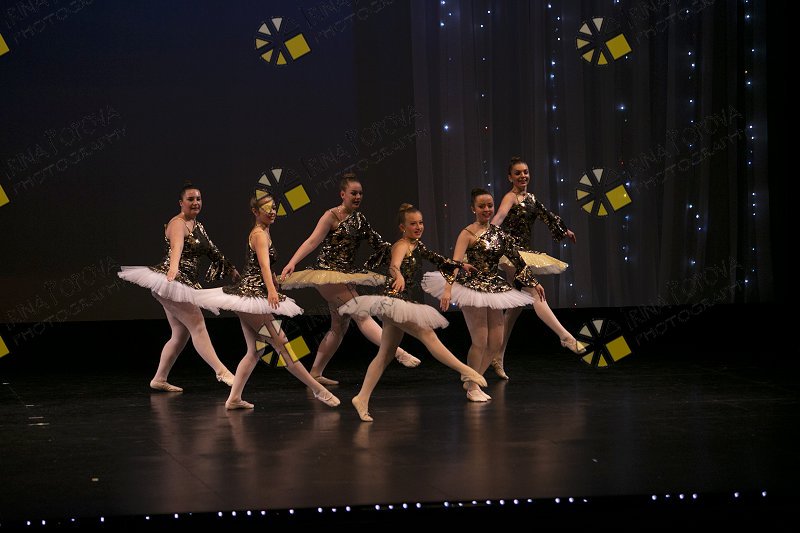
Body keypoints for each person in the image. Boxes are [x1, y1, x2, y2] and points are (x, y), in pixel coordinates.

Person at [340, 203, 486, 422]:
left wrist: (459, 265)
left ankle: (361, 398)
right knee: (427, 334)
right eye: (413, 224)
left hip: (399, 303)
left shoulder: (417, 245)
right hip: (393, 301)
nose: (418, 227)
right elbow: (394, 265)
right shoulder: (401, 245)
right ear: (402, 227)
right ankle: (466, 370)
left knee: (386, 354)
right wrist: (398, 275)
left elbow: (437, 259)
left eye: (421, 223)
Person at [194, 194, 340, 409]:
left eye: (274, 208)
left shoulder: (265, 231)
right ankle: (318, 390)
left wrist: (273, 281)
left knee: (254, 351)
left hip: (250, 296)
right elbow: (262, 265)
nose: (272, 212)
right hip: (251, 296)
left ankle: (234, 398)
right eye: (267, 209)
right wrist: (271, 290)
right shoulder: (259, 235)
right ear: (255, 212)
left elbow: (264, 265)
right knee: (283, 345)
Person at [279, 173, 421, 385]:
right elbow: (312, 241)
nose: (358, 197)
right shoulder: (331, 216)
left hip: (345, 274)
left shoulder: (360, 219)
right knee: (361, 314)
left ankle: (315, 373)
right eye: (353, 193)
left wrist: (400, 248)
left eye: (360, 193)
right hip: (326, 274)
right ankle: (398, 353)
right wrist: (292, 262)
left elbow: (378, 243)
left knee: (339, 327)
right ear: (342, 194)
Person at [118, 183, 238, 392]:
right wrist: (173, 269)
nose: (195, 202)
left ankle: (159, 378)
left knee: (179, 334)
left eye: (198, 199)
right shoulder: (177, 223)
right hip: (172, 281)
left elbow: (212, 250)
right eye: (190, 199)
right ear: (181, 203)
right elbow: (177, 247)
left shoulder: (198, 226)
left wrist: (231, 269)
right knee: (198, 325)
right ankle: (222, 372)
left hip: (183, 282)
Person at [422, 188, 536, 402]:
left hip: (493, 288)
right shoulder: (467, 233)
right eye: (481, 206)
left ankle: (473, 379)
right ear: (473, 208)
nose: (487, 209)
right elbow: (455, 263)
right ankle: (473, 387)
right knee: (481, 340)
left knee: (496, 341)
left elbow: (518, 260)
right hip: (472, 288)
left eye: (490, 205)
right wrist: (447, 290)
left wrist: (534, 282)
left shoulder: (500, 234)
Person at [490, 156, 586, 379]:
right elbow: (500, 217)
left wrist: (564, 231)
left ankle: (497, 357)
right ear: (510, 177)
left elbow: (546, 215)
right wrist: (486, 235)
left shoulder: (531, 198)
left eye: (525, 172)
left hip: (524, 253)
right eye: (517, 173)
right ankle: (565, 337)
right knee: (535, 293)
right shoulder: (510, 197)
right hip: (511, 254)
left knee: (514, 309)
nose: (522, 176)